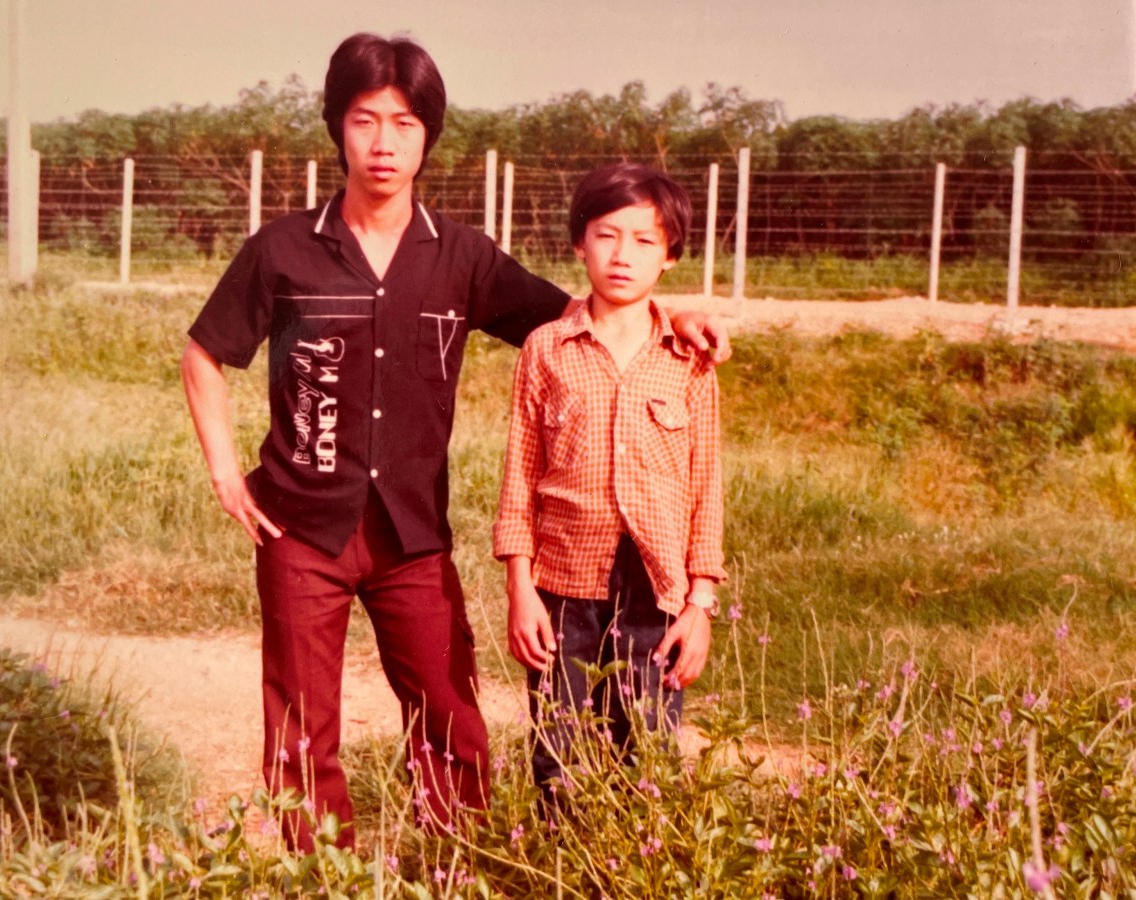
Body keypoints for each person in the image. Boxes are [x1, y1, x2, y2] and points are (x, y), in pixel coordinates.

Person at [180, 33, 729, 851]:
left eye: (404, 123)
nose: (383, 142)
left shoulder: (461, 256)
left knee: (450, 716)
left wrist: (670, 316)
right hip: (301, 528)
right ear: (337, 127)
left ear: (428, 135)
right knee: (301, 723)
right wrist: (228, 475)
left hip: (413, 538)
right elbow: (205, 353)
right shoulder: (284, 250)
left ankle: (457, 864)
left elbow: (573, 318)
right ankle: (319, 874)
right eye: (365, 120)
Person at [493, 162, 725, 805]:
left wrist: (700, 605)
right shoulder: (545, 348)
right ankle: (561, 868)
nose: (623, 255)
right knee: (557, 755)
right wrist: (521, 590)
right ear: (579, 243)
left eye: (645, 240)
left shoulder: (690, 359)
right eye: (606, 235)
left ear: (670, 257)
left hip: (659, 591)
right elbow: (520, 475)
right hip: (564, 585)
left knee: (647, 752)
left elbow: (706, 488)